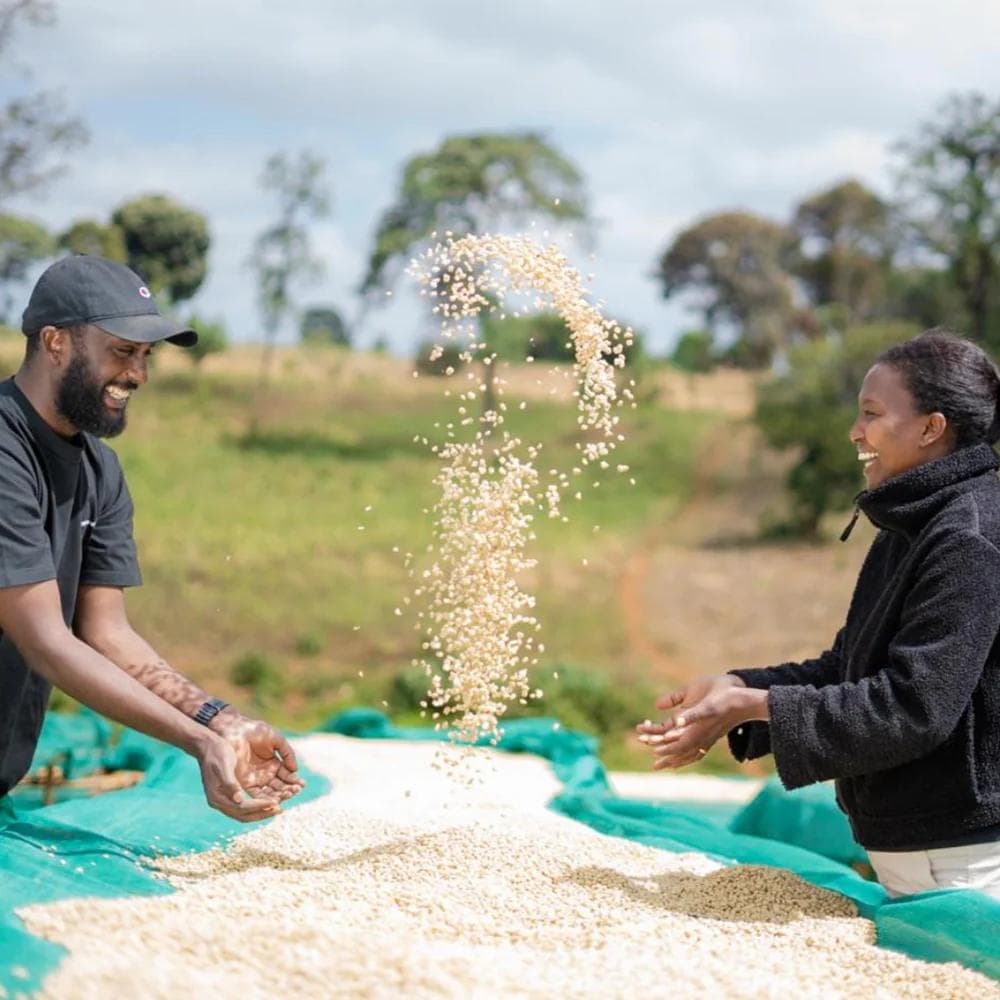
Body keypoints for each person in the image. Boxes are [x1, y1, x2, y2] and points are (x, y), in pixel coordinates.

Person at [637, 329, 1000, 900]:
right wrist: (739, 689)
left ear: (932, 428)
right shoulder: (912, 526)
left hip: (966, 861)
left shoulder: (968, 538)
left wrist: (758, 706)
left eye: (872, 414)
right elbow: (846, 669)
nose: (856, 431)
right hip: (926, 853)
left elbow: (915, 707)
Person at [0, 255, 304, 822]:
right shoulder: (4, 450)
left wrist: (221, 721)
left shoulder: (100, 472)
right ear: (55, 342)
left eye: (145, 356)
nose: (137, 374)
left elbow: (106, 633)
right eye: (122, 350)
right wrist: (198, 744)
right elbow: (44, 637)